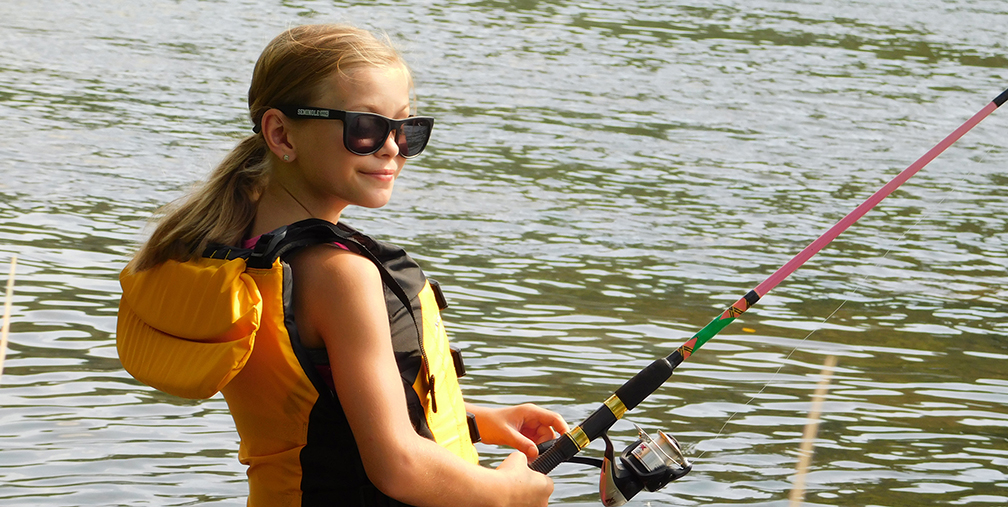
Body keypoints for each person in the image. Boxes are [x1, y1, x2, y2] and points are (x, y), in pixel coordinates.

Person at [116, 24, 569, 507]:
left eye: (406, 127)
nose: (392, 147)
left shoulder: (233, 248)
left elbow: (318, 415)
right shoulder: (339, 275)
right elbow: (397, 465)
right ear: (280, 133)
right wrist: (505, 493)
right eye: (366, 127)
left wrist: (469, 420)